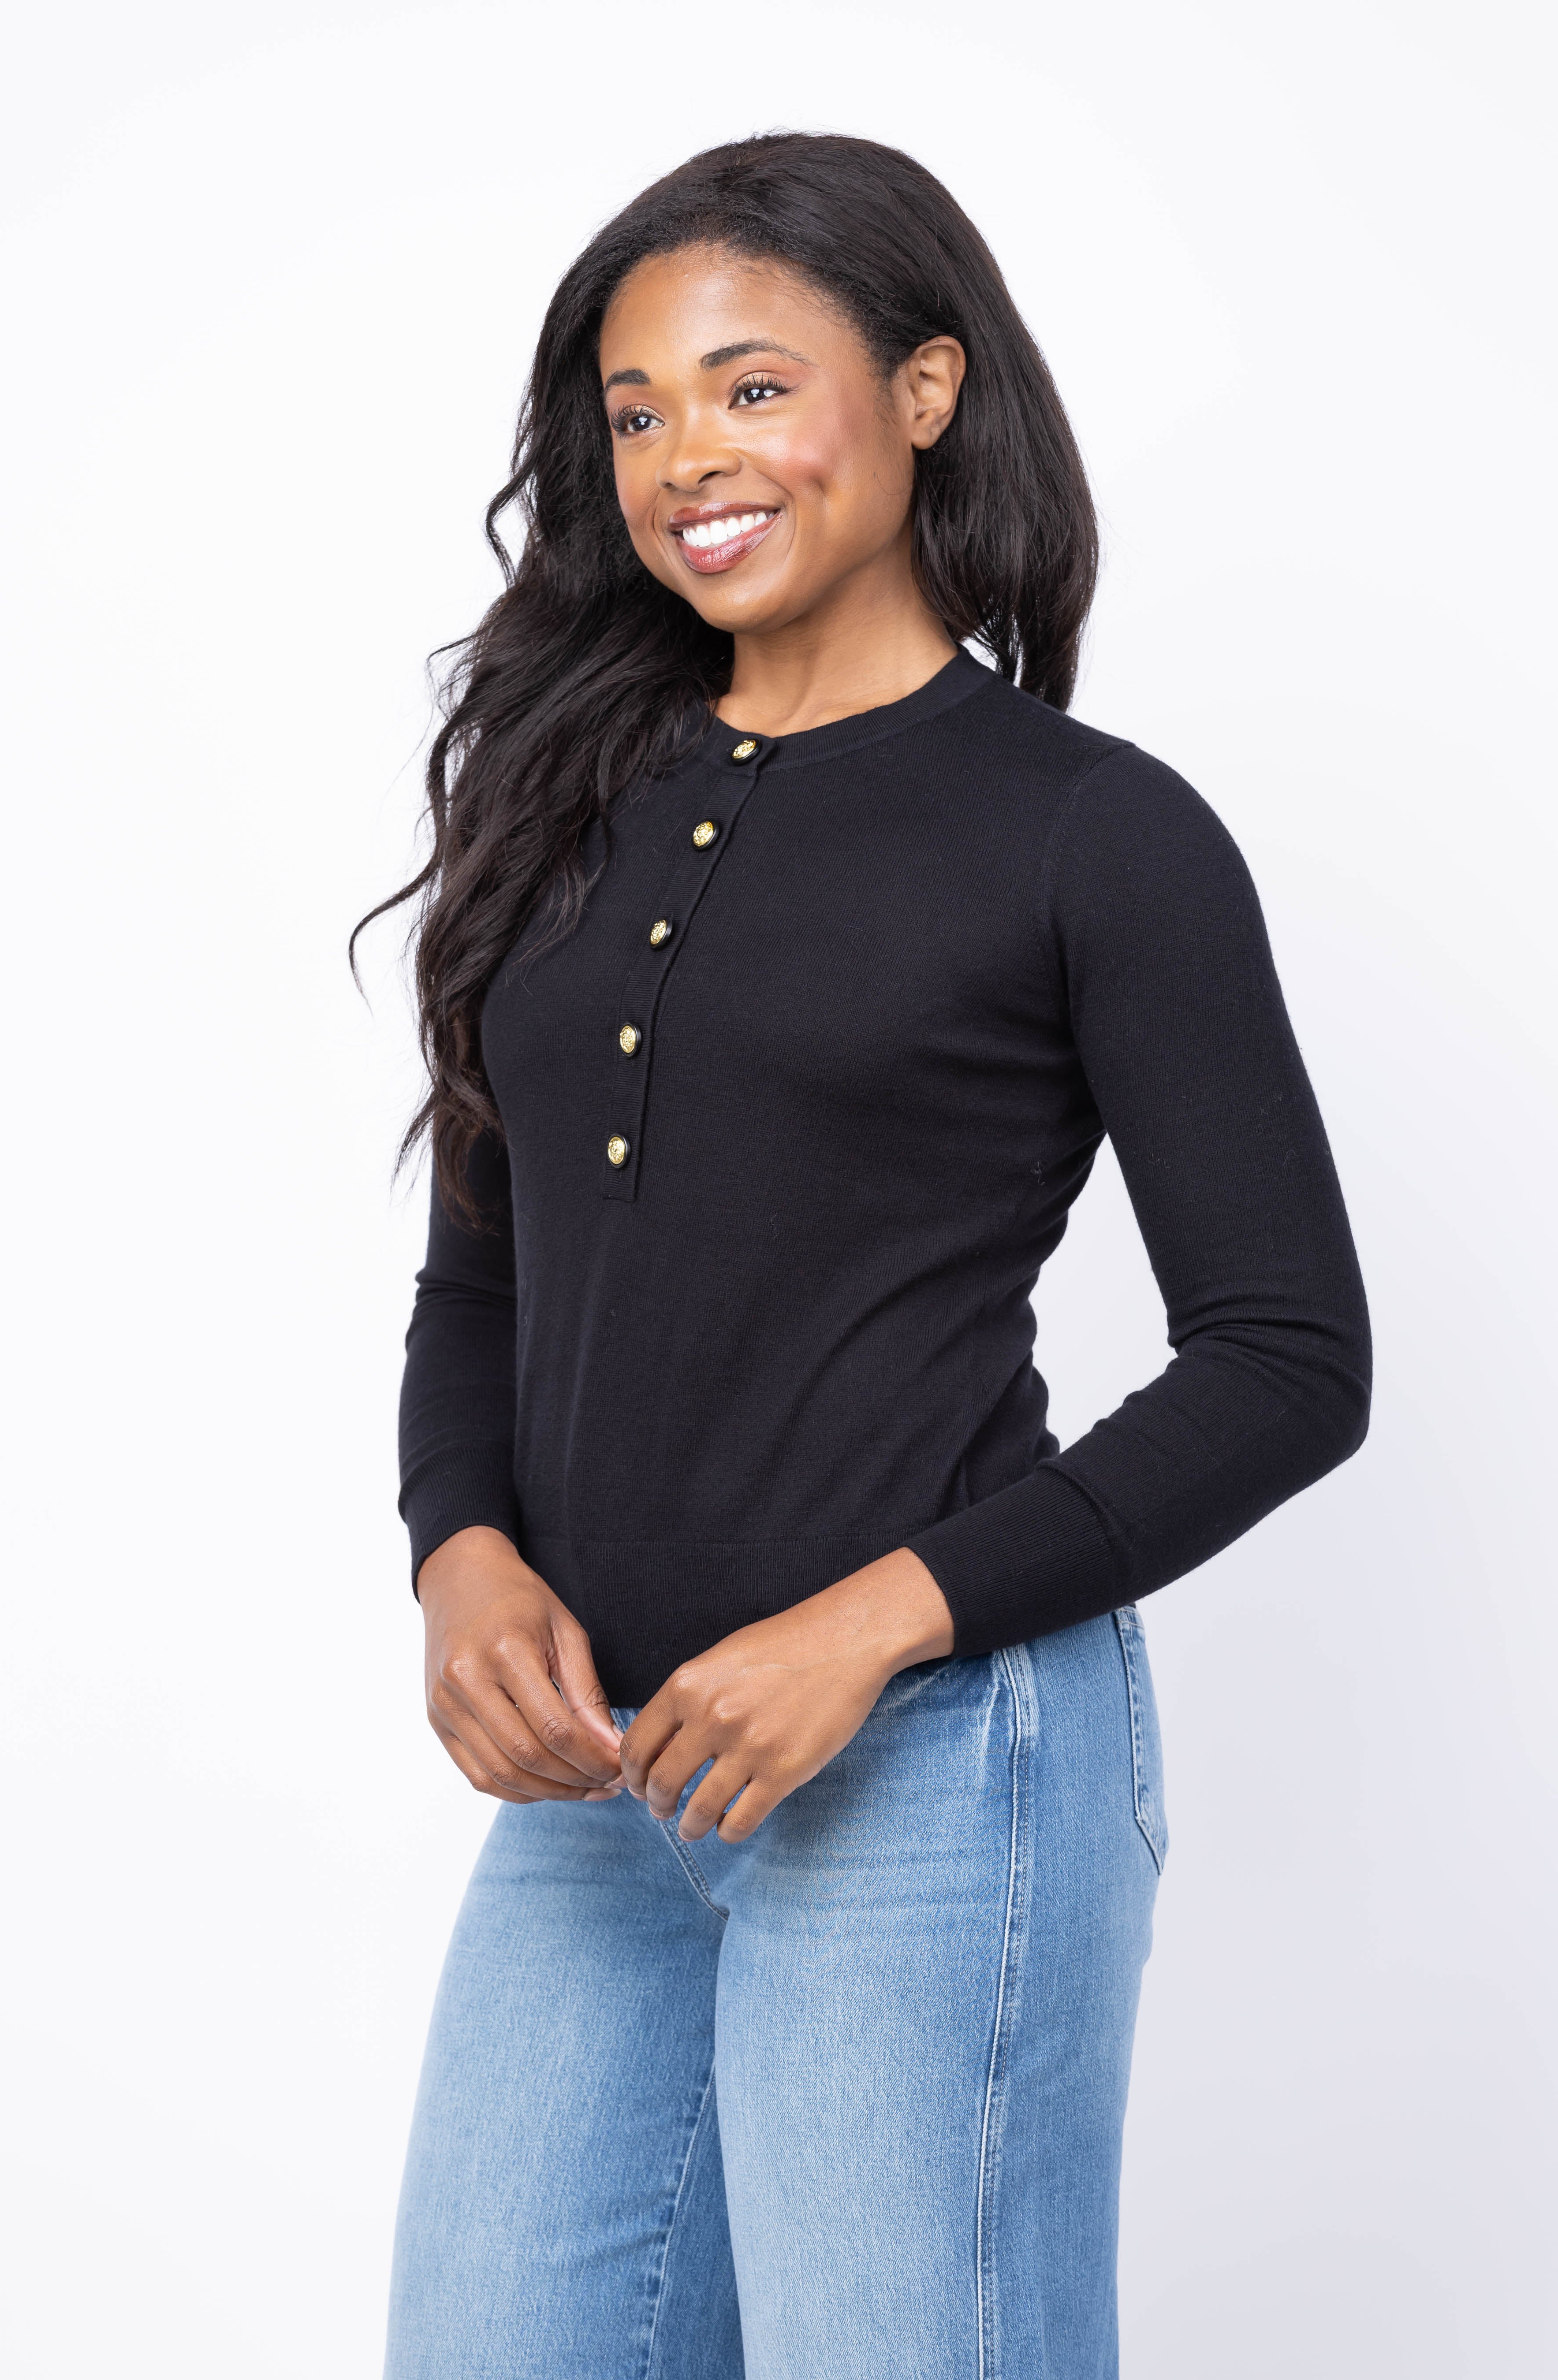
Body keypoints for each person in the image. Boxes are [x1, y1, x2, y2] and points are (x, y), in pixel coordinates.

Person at [362, 132, 1370, 2380]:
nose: (684, 459)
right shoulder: (562, 805)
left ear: (924, 391)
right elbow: (485, 1279)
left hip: (934, 1767)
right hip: (609, 1776)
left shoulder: (1094, 833)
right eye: (636, 412)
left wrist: (867, 1628)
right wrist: (461, 1554)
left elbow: (1291, 1358)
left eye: (751, 387)